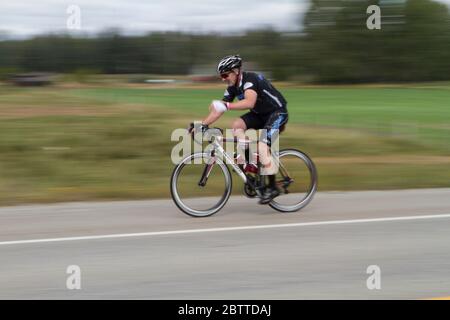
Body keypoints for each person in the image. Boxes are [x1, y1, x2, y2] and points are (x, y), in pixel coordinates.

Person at [194, 54, 288, 204]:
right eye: (221, 76)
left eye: (225, 74)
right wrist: (201, 125)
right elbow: (219, 109)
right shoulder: (231, 87)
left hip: (277, 113)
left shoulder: (250, 80)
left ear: (236, 71)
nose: (223, 78)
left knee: (263, 146)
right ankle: (250, 163)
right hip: (260, 114)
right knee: (236, 125)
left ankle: (272, 187)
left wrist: (227, 105)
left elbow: (250, 102)